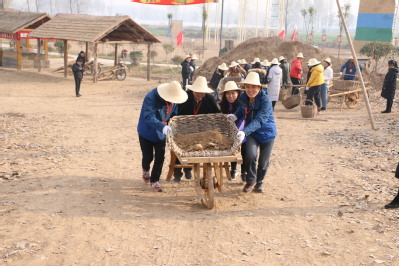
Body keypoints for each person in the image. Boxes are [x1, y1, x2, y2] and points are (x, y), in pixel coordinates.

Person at [228, 72, 277, 193]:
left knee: (263, 161)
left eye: (254, 87)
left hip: (267, 133)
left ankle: (259, 182)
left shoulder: (266, 101)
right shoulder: (243, 97)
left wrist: (244, 131)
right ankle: (250, 181)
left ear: (259, 88)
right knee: (250, 155)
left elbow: (259, 119)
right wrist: (235, 115)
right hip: (252, 133)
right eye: (248, 87)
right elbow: (242, 109)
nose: (250, 90)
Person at [137, 81, 188, 192]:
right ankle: (145, 169)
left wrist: (173, 126)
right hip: (147, 131)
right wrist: (163, 127)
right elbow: (148, 116)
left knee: (160, 157)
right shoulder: (151, 98)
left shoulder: (175, 100)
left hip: (161, 133)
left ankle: (155, 180)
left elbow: (174, 114)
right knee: (148, 156)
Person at [174, 76, 221, 182]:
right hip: (184, 129)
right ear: (193, 90)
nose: (200, 94)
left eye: (202, 92)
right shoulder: (185, 96)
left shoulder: (209, 98)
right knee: (180, 148)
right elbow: (177, 113)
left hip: (201, 130)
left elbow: (216, 113)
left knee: (197, 149)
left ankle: (188, 169)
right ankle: (177, 173)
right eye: (198, 91)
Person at [219, 81, 246, 181]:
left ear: (238, 93)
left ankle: (244, 172)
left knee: (244, 150)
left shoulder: (242, 103)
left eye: (233, 93)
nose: (231, 96)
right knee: (232, 149)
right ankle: (233, 170)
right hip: (230, 129)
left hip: (243, 128)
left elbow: (243, 118)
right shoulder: (224, 104)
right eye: (228, 93)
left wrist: (238, 132)